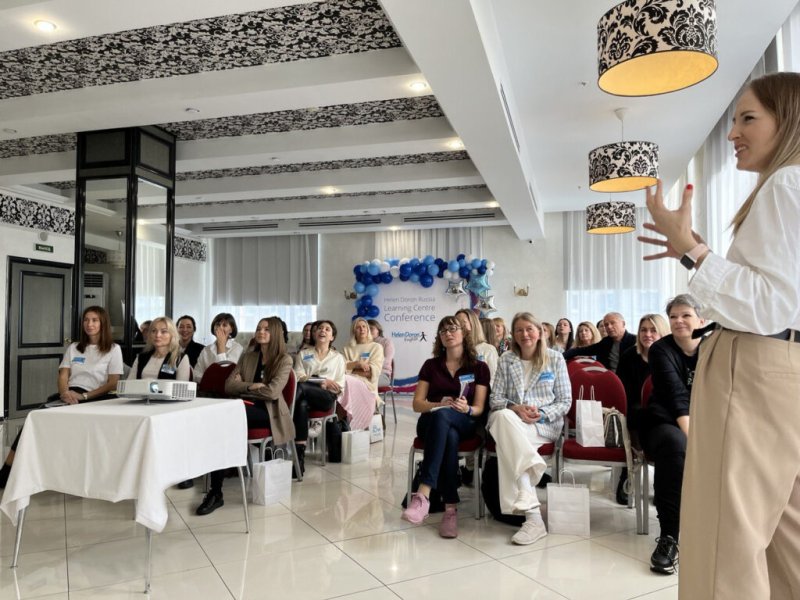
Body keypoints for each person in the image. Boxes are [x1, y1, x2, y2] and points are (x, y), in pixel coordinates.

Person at [639, 72, 800, 599]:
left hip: (757, 367)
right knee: (785, 539)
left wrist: (694, 252)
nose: (733, 133)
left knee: (726, 539)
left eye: (748, 118)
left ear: (789, 120)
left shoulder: (785, 184)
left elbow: (770, 303)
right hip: (784, 370)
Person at [0, 306, 124, 488]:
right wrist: (64, 392)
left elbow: (113, 383)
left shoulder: (113, 349)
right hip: (69, 394)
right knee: (36, 417)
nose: (89, 324)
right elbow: (63, 375)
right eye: (86, 320)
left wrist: (84, 396)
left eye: (94, 320)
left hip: (96, 397)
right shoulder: (74, 348)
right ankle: (9, 470)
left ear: (103, 323)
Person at [401, 315, 490, 538]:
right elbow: (417, 404)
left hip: (465, 421)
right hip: (431, 421)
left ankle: (423, 494)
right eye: (443, 331)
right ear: (439, 338)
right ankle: (450, 509)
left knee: (449, 425)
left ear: (464, 334)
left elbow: (479, 408)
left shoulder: (479, 367)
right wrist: (438, 405)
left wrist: (466, 408)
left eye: (452, 329)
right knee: (446, 429)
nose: (448, 333)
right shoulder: (431, 366)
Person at [195, 317, 294, 515]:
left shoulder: (285, 359)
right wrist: (252, 386)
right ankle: (216, 491)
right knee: (221, 424)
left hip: (269, 412)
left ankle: (215, 490)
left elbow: (272, 393)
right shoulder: (248, 357)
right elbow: (229, 386)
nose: (261, 332)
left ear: (276, 333)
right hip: (243, 406)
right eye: (258, 328)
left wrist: (243, 387)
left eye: (266, 329)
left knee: (223, 418)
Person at [488, 312, 570, 545]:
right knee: (502, 416)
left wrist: (541, 413)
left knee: (507, 443)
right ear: (513, 335)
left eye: (529, 329)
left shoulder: (555, 358)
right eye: (519, 330)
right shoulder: (507, 359)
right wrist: (516, 408)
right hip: (511, 419)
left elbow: (565, 401)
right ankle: (532, 513)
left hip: (542, 423)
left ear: (540, 332)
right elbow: (496, 399)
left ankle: (531, 513)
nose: (525, 334)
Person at [638, 295, 705, 575]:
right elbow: (676, 396)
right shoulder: (660, 350)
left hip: (707, 420)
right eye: (673, 316)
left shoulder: (714, 346)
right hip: (664, 422)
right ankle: (669, 536)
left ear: (701, 320)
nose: (679, 321)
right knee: (676, 446)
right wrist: (697, 442)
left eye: (686, 315)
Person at [614, 313, 669, 504]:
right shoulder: (630, 356)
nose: (648, 334)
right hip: (635, 413)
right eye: (643, 330)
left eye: (653, 330)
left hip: (662, 414)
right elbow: (623, 394)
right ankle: (627, 475)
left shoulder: (670, 356)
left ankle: (664, 485)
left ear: (662, 332)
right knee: (636, 418)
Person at [292, 320, 345, 474]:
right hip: (305, 395)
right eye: (320, 328)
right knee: (301, 404)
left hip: (326, 398)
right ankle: (299, 459)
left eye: (327, 329)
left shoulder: (338, 358)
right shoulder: (303, 354)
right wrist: (322, 381)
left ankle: (286, 415)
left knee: (300, 389)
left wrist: (311, 379)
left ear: (332, 337)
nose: (323, 331)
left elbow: (339, 385)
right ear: (314, 334)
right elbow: (297, 375)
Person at [340, 318, 384, 430]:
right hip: (347, 382)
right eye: (358, 327)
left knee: (345, 380)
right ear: (353, 331)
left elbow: (371, 373)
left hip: (367, 385)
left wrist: (351, 368)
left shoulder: (376, 347)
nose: (362, 329)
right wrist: (357, 363)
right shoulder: (346, 349)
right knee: (341, 381)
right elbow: (340, 369)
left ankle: (349, 424)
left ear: (368, 329)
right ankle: (341, 423)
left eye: (364, 326)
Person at [564, 312, 636, 372]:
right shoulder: (606, 342)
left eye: (612, 323)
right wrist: (561, 356)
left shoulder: (635, 341)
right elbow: (584, 350)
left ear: (623, 324)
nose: (609, 327)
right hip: (609, 379)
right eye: (606, 324)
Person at [128, 316, 191, 381]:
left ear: (172, 335)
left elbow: (182, 386)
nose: (157, 335)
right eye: (154, 331)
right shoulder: (141, 357)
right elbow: (130, 382)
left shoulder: (180, 358)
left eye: (163, 331)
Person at [193, 312, 244, 382]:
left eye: (224, 325)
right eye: (217, 324)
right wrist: (208, 380)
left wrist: (221, 345)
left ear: (231, 330)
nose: (220, 327)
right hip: (208, 386)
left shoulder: (238, 348)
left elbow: (226, 373)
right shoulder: (206, 350)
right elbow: (197, 374)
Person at [455, 309, 498, 383]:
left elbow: (494, 379)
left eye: (463, 322)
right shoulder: (453, 351)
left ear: (473, 324)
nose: (459, 326)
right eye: (456, 323)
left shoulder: (488, 349)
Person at [367, 319, 394, 388]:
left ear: (378, 330)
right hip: (365, 373)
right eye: (367, 329)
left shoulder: (386, 342)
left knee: (364, 383)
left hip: (382, 374)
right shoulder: (363, 344)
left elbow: (387, 359)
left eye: (371, 328)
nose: (368, 331)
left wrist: (370, 367)